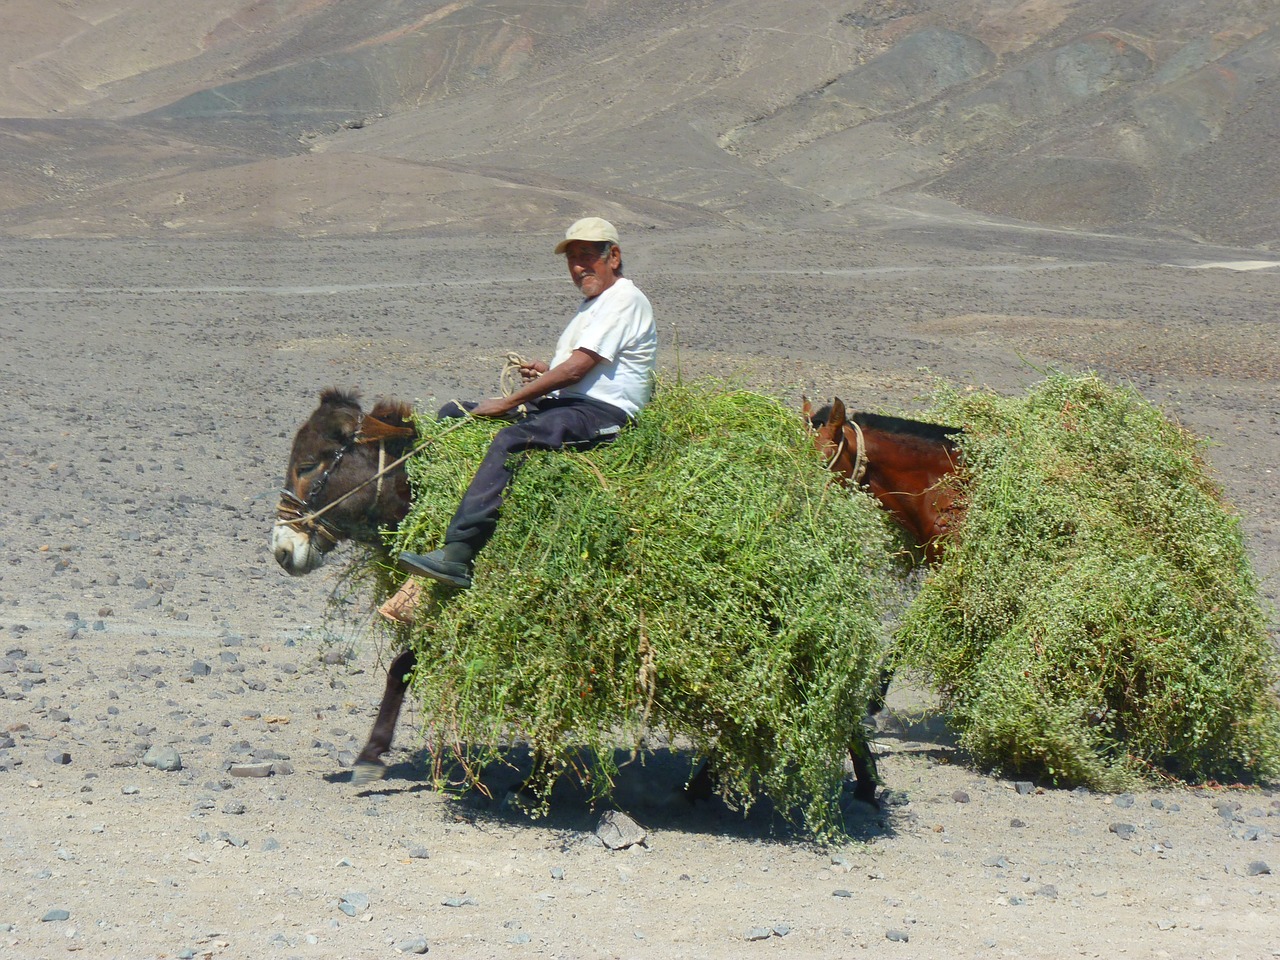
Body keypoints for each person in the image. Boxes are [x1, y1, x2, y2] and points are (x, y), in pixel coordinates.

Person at [398, 217, 656, 589]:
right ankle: (422, 517)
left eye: (587, 256)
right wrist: (545, 371)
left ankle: (458, 554)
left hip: (605, 414)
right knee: (454, 412)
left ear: (613, 257)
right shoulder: (592, 306)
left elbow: (577, 370)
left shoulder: (625, 299)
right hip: (570, 406)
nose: (579, 266)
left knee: (511, 439)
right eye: (572, 259)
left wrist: (510, 402)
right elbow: (574, 370)